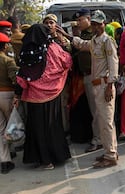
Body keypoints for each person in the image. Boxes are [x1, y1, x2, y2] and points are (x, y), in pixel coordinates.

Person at [58, 10, 119, 168]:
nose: (96, 26)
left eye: (99, 24)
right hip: (97, 85)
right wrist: (67, 35)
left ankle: (111, 155)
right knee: (102, 121)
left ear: (103, 24)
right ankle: (109, 151)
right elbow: (81, 45)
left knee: (106, 121)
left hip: (105, 85)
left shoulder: (107, 41)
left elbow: (114, 65)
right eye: (94, 24)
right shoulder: (95, 41)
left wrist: (110, 86)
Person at [16, 24, 72, 170]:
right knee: (53, 125)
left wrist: (18, 94)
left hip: (34, 98)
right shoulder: (53, 47)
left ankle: (44, 160)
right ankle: (57, 156)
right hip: (53, 95)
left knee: (37, 128)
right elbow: (66, 62)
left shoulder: (27, 51)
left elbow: (22, 77)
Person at [73, 8, 102, 153]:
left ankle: (98, 140)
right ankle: (96, 137)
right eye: (77, 20)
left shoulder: (94, 33)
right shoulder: (83, 33)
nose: (78, 23)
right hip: (85, 75)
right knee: (92, 110)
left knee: (97, 110)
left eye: (80, 20)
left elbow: (87, 46)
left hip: (95, 75)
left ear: (89, 19)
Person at [0, 32, 19, 174]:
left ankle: (5, 160)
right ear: (5, 45)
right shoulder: (8, 60)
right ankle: (12, 149)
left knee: (0, 129)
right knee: (10, 125)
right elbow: (14, 79)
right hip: (7, 94)